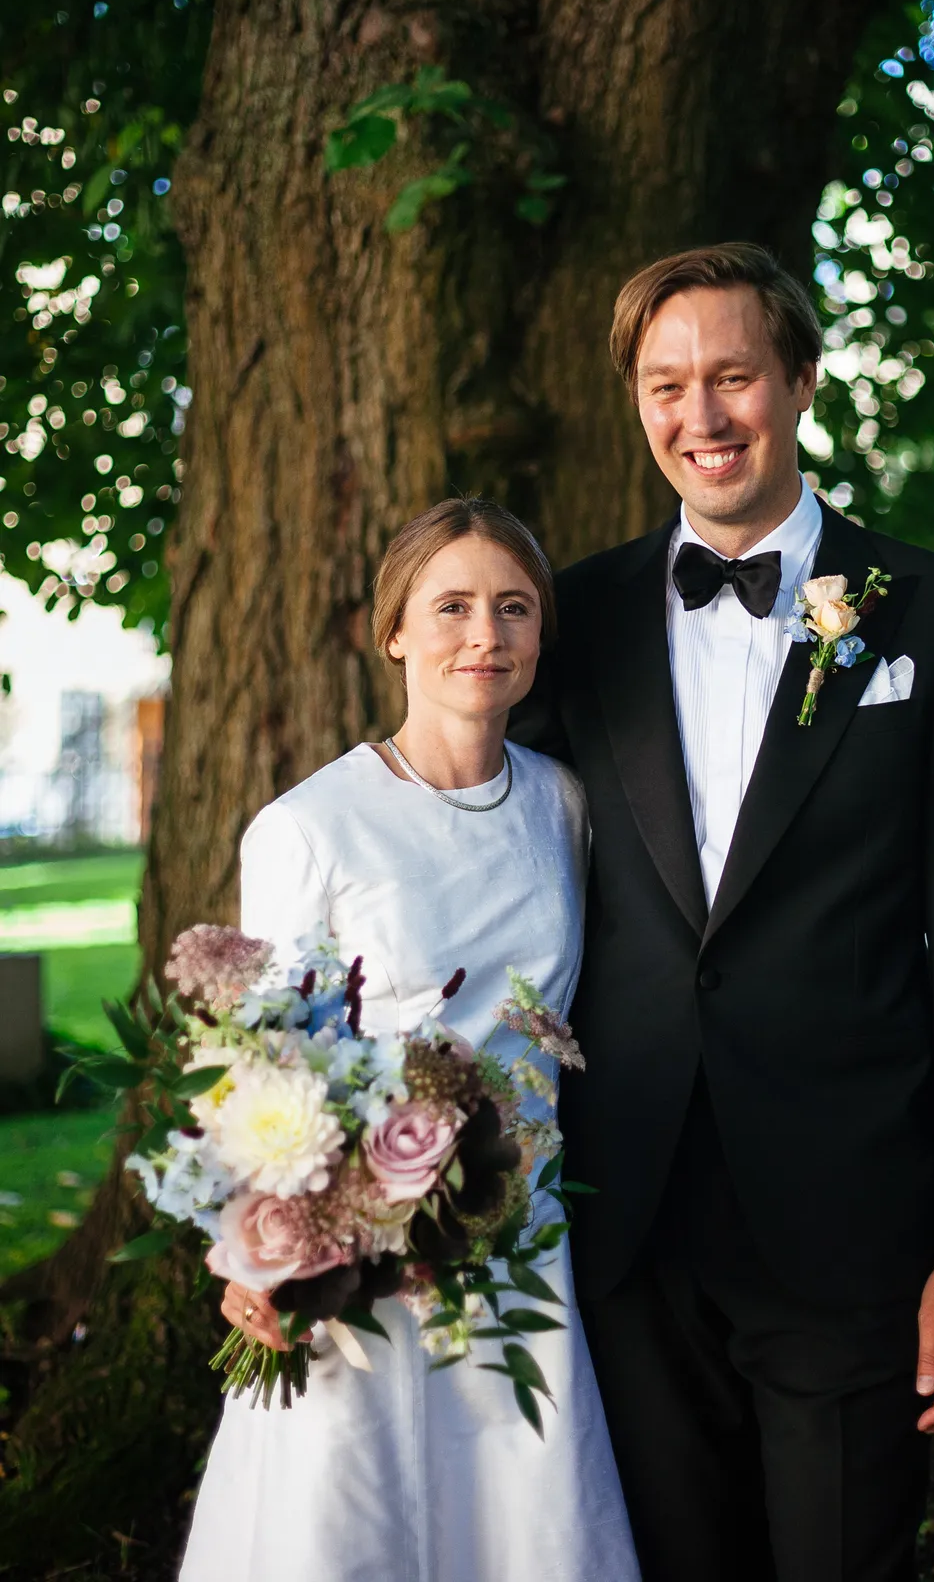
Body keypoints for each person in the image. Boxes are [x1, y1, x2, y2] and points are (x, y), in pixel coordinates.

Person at [510, 242, 934, 1581]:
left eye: (734, 376)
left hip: (852, 1223)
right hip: (626, 1217)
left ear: (799, 381)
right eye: (667, 385)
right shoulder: (573, 619)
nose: (702, 416)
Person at [179, 499, 639, 1582]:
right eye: (454, 607)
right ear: (395, 631)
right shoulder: (308, 827)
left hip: (526, 1242)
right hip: (367, 1260)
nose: (486, 635)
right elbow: (264, 1068)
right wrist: (257, 1245)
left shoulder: (565, 806)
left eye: (514, 608)